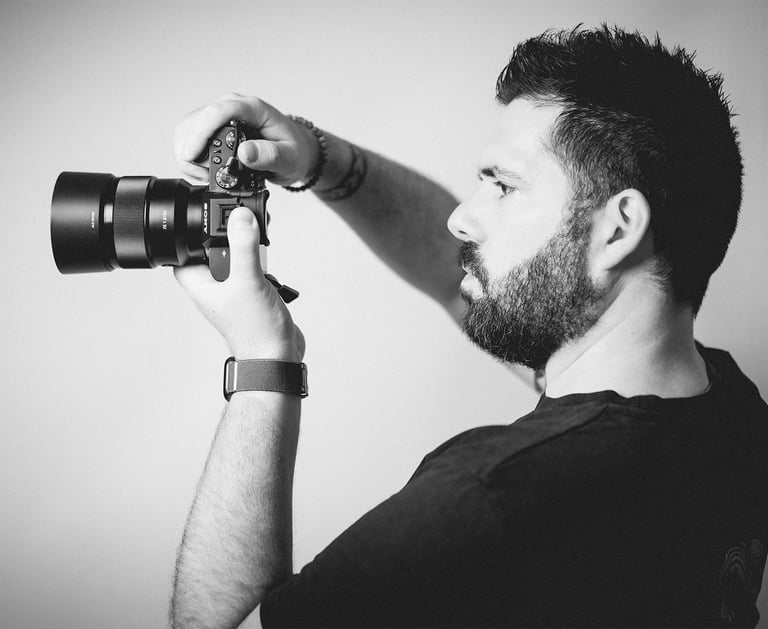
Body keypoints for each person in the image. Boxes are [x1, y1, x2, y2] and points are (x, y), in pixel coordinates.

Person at [169, 26, 768, 628]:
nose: (461, 217)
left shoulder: (488, 499)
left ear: (617, 230)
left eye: (503, 186)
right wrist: (319, 159)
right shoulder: (732, 415)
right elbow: (446, 266)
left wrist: (261, 356)